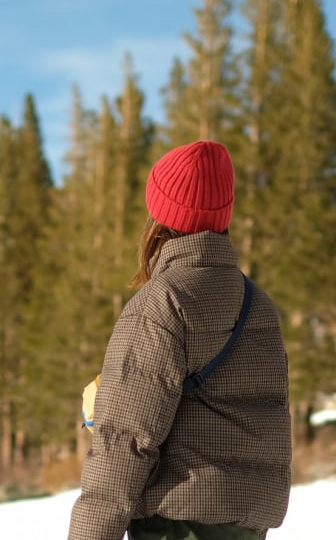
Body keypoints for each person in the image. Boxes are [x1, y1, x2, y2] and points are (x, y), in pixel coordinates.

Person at [67, 140, 291, 540]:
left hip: (176, 520)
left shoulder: (161, 303)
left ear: (160, 215)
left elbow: (125, 439)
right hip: (246, 524)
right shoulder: (259, 304)